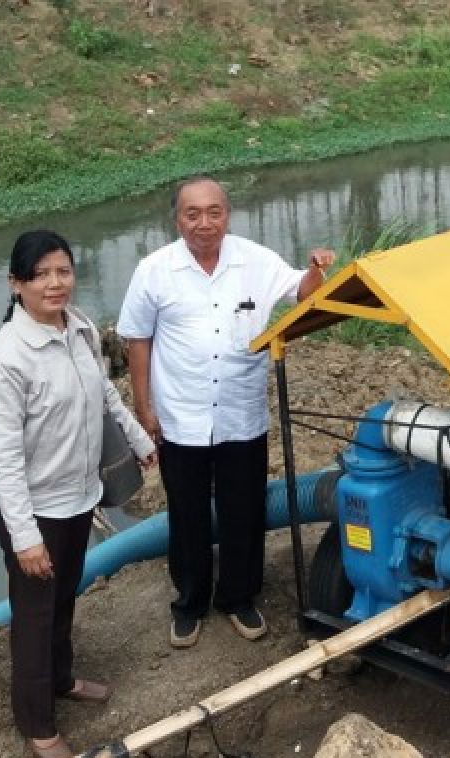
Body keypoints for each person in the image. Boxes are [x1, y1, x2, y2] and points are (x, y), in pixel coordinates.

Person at [116, 176, 333, 649]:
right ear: (177, 220)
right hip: (181, 416)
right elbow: (138, 340)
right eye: (192, 214)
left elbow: (302, 291)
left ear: (227, 215)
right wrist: (144, 408)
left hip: (240, 413)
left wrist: (317, 268)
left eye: (213, 212)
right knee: (188, 514)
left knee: (244, 509)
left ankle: (238, 596)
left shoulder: (253, 259)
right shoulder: (154, 270)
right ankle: (189, 603)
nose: (204, 223)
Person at [0, 230, 155, 758]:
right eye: (41, 274)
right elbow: (1, 459)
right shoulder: (2, 359)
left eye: (63, 271)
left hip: (77, 496)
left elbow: (103, 394)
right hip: (34, 510)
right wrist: (24, 537)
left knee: (65, 596)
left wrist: (139, 440)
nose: (55, 283)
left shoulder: (82, 329)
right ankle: (37, 722)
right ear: (16, 284)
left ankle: (62, 678)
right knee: (33, 614)